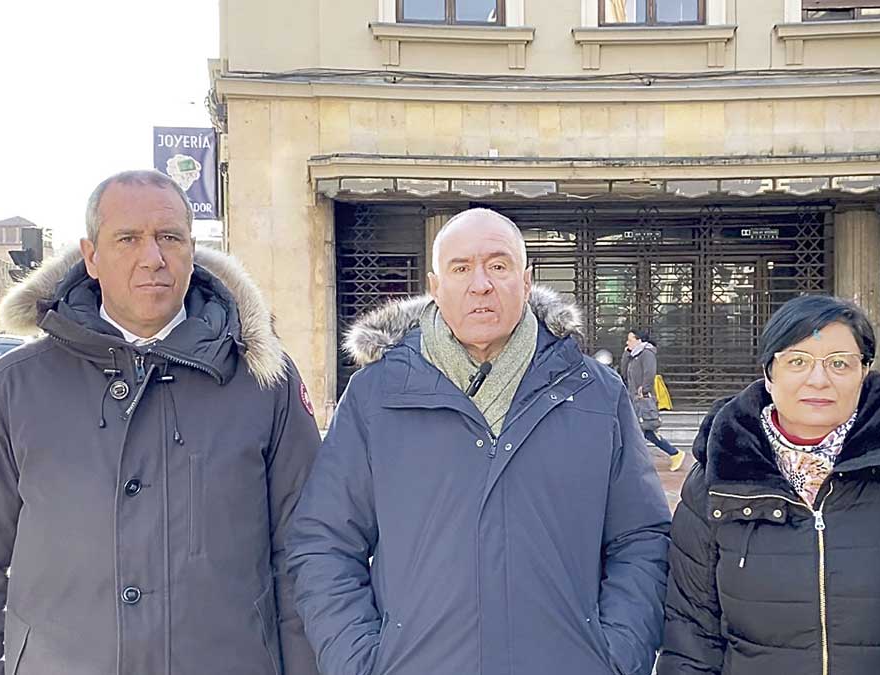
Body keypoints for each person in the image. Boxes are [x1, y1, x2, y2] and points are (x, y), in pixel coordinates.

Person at [0, 170, 320, 674]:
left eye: (169, 238)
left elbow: (304, 557)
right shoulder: (15, 387)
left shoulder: (264, 383)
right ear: (91, 256)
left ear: (191, 249)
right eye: (128, 239)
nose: (152, 258)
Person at [287, 208, 671, 675]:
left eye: (498, 265)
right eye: (461, 268)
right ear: (434, 286)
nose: (481, 283)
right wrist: (361, 662)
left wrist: (616, 655)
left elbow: (642, 540)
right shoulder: (376, 397)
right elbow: (325, 542)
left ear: (527, 281)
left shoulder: (595, 394)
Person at [658, 295, 880, 675]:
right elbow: (690, 637)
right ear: (769, 375)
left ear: (863, 373)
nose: (819, 380)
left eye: (839, 363)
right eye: (797, 361)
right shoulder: (718, 483)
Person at [622, 329, 687, 471]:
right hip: (633, 398)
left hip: (643, 399)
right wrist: (626, 354)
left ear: (639, 340)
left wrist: (644, 390)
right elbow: (624, 372)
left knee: (646, 430)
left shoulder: (647, 354)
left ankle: (674, 453)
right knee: (637, 431)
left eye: (630, 339)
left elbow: (649, 373)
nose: (627, 342)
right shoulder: (634, 356)